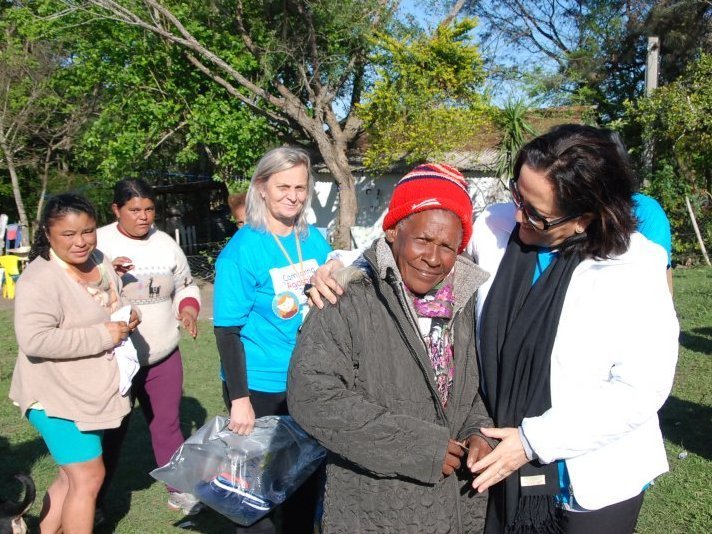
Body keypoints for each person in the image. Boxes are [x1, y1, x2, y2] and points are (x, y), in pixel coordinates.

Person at [467, 124, 679, 533]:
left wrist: (532, 442)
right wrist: (349, 267)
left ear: (584, 219)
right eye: (517, 195)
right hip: (501, 468)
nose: (518, 216)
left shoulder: (635, 268)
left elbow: (641, 388)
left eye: (536, 214)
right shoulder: (495, 228)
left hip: (593, 482)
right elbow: (417, 237)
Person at [288, 163, 495, 533]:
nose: (433, 257)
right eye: (422, 240)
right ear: (393, 232)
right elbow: (313, 395)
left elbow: (471, 390)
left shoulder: (463, 303)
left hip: (456, 508)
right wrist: (417, 446)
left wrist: (478, 431)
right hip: (377, 508)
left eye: (448, 246)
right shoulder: (346, 297)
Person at [213, 147, 331, 533]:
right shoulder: (241, 251)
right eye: (283, 186)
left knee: (304, 482)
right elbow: (227, 331)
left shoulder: (314, 239)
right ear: (261, 187)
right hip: (260, 385)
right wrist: (239, 399)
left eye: (300, 186)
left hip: (309, 381)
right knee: (254, 498)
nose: (293, 195)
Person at [9, 193, 138, 533]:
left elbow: (113, 301)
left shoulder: (100, 259)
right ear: (48, 235)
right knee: (89, 475)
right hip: (53, 398)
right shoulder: (41, 278)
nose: (81, 242)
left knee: (71, 477)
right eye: (69, 234)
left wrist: (127, 315)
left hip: (89, 395)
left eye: (88, 231)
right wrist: (104, 335)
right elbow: (35, 340)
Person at [96, 178, 204, 515]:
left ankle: (180, 490)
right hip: (114, 360)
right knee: (110, 433)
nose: (144, 217)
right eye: (134, 210)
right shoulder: (97, 242)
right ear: (116, 210)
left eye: (149, 209)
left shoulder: (166, 245)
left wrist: (187, 309)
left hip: (163, 355)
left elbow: (186, 286)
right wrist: (106, 275)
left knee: (168, 424)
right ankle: (92, 501)